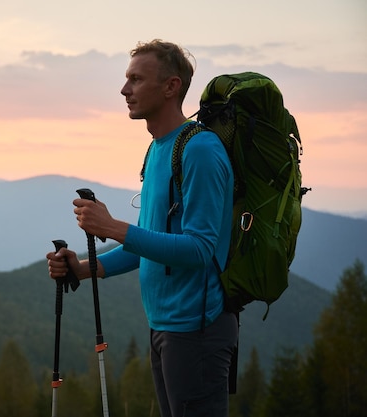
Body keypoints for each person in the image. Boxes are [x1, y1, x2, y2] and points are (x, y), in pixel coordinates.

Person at [46, 39, 238, 417]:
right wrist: (82, 269)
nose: (124, 89)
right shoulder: (158, 148)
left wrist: (113, 227)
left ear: (171, 87)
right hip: (166, 326)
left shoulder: (199, 149)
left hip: (197, 330)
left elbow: (199, 249)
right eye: (126, 79)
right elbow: (151, 242)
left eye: (136, 79)